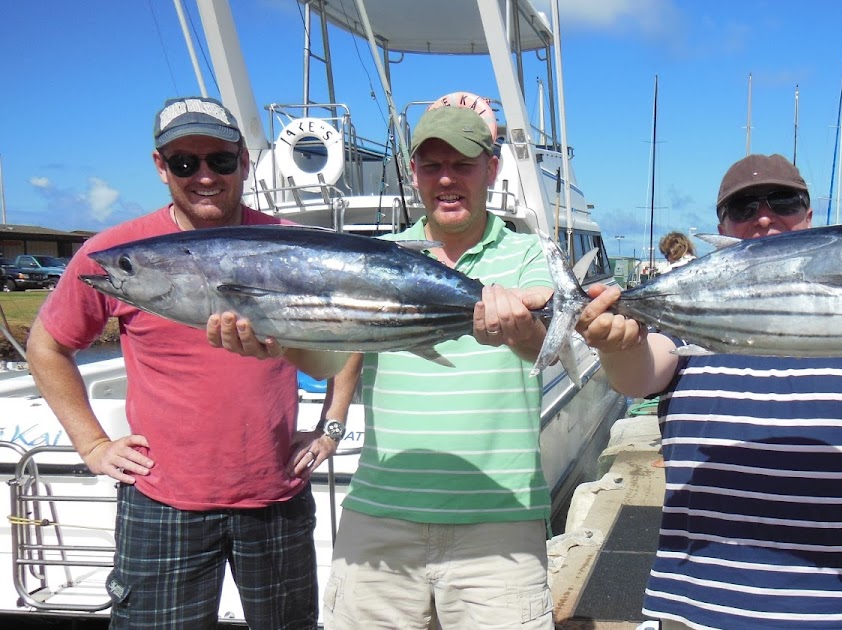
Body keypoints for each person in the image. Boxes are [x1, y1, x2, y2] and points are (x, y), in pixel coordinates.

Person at [575, 153, 842, 629]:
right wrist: (616, 344)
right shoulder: (688, 323)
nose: (764, 218)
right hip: (698, 609)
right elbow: (637, 375)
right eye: (743, 210)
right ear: (721, 227)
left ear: (809, 214)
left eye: (783, 201)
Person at [26, 96, 346, 629]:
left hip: (277, 494)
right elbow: (48, 345)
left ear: (243, 161)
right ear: (160, 167)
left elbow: (350, 335)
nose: (204, 176)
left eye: (219, 160)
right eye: (184, 162)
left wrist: (329, 427)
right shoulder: (118, 254)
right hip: (161, 500)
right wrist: (93, 444)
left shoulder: (292, 245)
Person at [319, 103, 556, 629]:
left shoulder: (527, 256)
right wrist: (275, 336)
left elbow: (545, 348)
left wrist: (521, 330)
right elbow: (333, 357)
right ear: (413, 173)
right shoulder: (377, 258)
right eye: (432, 166)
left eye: (464, 164)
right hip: (379, 515)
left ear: (491, 170)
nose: (447, 179)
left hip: (500, 524)